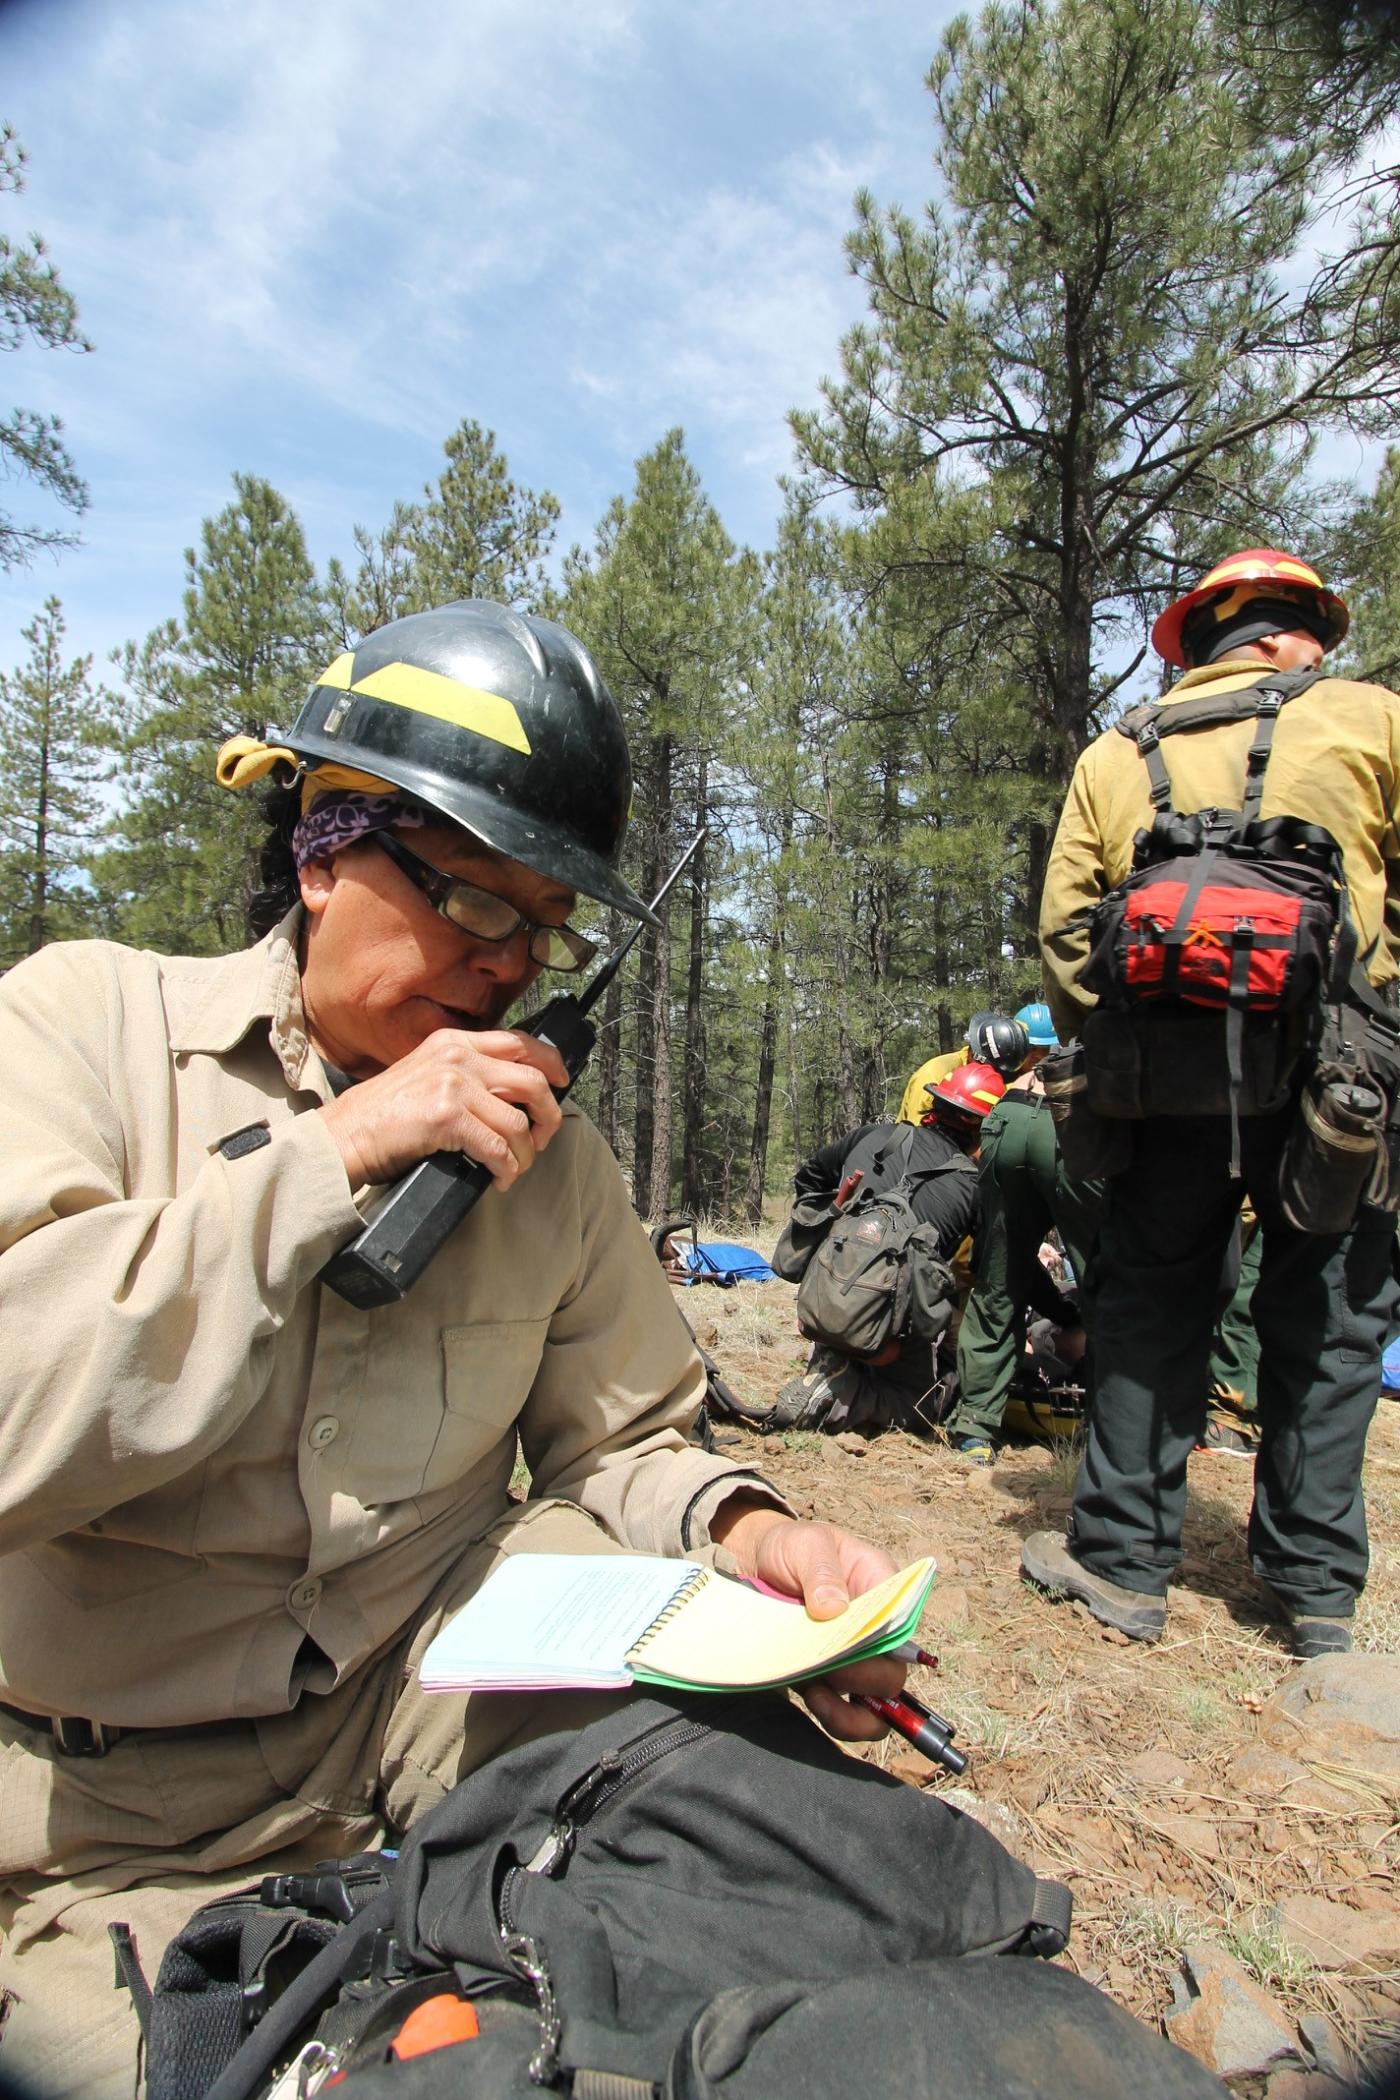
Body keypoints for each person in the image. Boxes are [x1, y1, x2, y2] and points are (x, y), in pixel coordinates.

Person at [0, 601, 906, 2100]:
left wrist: (754, 1535)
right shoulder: (80, 1026)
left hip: (410, 1715)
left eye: (545, 930)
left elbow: (627, 1441)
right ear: (321, 846)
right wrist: (331, 1157)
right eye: (478, 905)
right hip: (96, 1827)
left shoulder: (549, 1161)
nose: (509, 966)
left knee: (778, 1859)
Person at [1025, 549, 1400, 1656]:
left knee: (1148, 1309)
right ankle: (1314, 1595)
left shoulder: (1117, 750)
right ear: (1289, 633)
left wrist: (1119, 1028)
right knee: (1329, 1320)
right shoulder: (1373, 717)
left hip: (1161, 1082)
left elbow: (1062, 932)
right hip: (1343, 1074)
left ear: (1201, 644)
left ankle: (1122, 1569)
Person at [773, 1063, 1005, 1432]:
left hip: (821, 1302)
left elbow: (809, 1177)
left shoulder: (873, 1135)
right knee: (921, 1404)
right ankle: (839, 1396)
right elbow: (989, 1270)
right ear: (981, 1127)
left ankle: (833, 1361)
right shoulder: (973, 1187)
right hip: (888, 1330)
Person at [944, 1006, 1103, 1466]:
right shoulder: (1096, 1029)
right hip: (1070, 1115)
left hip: (1009, 1118)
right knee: (1107, 1282)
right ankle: (1110, 1426)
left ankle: (975, 1426)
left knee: (999, 1277)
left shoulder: (1016, 1072)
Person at [897, 1011, 1028, 1125]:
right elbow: (917, 1138)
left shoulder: (1002, 1080)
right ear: (974, 1055)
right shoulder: (935, 1075)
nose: (992, 1079)